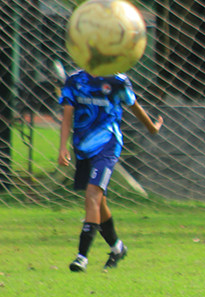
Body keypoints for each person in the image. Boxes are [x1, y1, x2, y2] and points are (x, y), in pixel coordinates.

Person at [58, 69, 163, 272]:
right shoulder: (75, 80)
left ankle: (81, 257)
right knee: (99, 202)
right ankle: (117, 248)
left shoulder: (117, 80)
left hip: (108, 144)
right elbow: (67, 115)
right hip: (83, 148)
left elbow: (134, 105)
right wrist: (63, 146)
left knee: (92, 195)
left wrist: (152, 128)